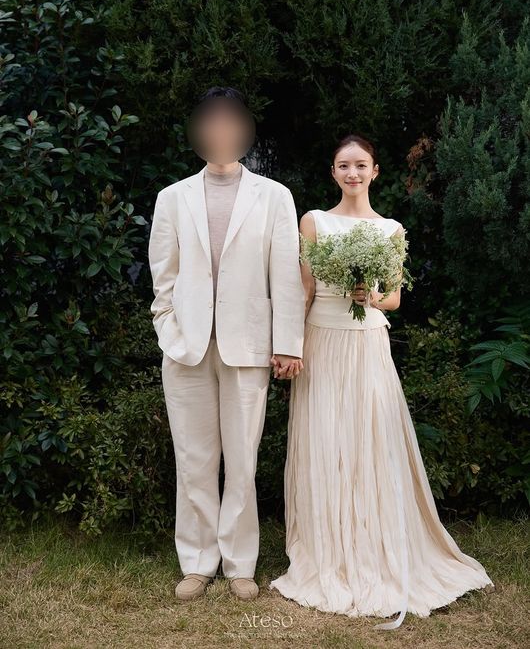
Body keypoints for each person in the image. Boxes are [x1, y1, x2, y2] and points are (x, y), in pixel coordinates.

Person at [269, 134, 494, 629]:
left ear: (374, 171)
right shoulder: (314, 221)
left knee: (370, 438)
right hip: (322, 341)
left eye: (361, 165)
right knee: (326, 439)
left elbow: (394, 297)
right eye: (343, 165)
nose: (352, 173)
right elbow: (303, 289)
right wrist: (290, 346)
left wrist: (369, 295)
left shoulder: (391, 229)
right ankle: (328, 549)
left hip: (368, 342)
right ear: (333, 172)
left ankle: (376, 545)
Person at [148, 86, 305, 602]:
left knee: (241, 461)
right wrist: (168, 329)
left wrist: (288, 343)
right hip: (186, 348)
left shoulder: (274, 196)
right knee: (193, 460)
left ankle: (240, 565)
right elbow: (163, 277)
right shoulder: (172, 197)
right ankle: (197, 563)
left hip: (248, 346)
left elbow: (285, 276)